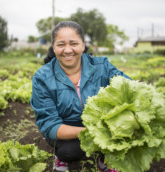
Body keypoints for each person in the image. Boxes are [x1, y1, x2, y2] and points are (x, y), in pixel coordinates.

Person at [31, 21, 131, 172]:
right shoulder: (42, 78)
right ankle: (61, 157)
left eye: (73, 43)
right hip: (67, 131)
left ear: (83, 45)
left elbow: (130, 87)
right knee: (68, 152)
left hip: (102, 125)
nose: (68, 50)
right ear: (53, 46)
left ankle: (105, 159)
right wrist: (90, 131)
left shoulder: (102, 67)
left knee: (127, 131)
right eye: (61, 44)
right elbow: (50, 125)